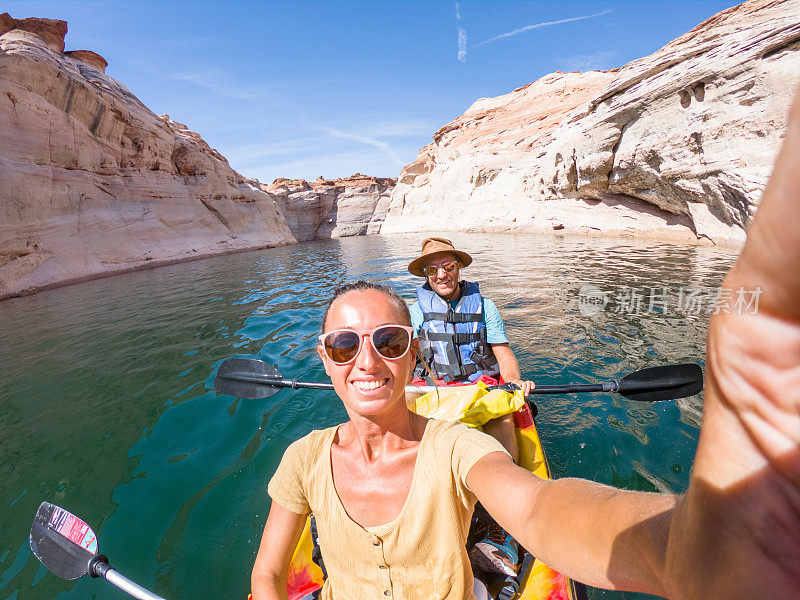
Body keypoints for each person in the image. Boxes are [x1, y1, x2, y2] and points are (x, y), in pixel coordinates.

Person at [252, 89, 800, 600]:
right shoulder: (306, 457)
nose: (368, 358)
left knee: (498, 424)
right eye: (345, 346)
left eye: (388, 341)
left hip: (471, 392)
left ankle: (489, 523)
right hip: (427, 391)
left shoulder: (473, 332)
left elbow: (542, 507)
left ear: (409, 345)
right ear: (325, 357)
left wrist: (675, 548)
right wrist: (416, 382)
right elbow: (266, 575)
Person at [407, 237, 532, 576]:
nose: (441, 274)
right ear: (426, 275)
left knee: (503, 412)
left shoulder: (485, 306)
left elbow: (503, 355)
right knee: (407, 418)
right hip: (437, 393)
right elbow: (404, 355)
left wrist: (513, 383)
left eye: (447, 266)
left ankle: (499, 529)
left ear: (458, 268)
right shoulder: (414, 311)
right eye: (433, 269)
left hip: (478, 389)